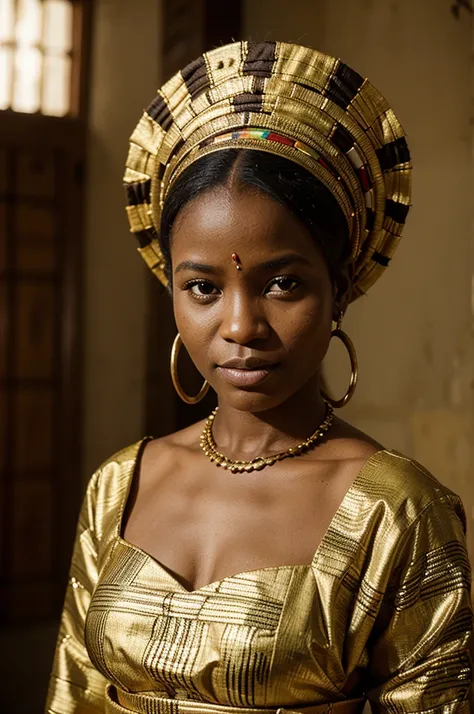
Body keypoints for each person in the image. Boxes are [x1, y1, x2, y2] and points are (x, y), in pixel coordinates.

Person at [46, 41, 472, 714]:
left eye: (282, 283)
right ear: (173, 294)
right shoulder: (118, 488)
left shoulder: (399, 513)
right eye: (204, 288)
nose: (241, 325)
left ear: (340, 290)